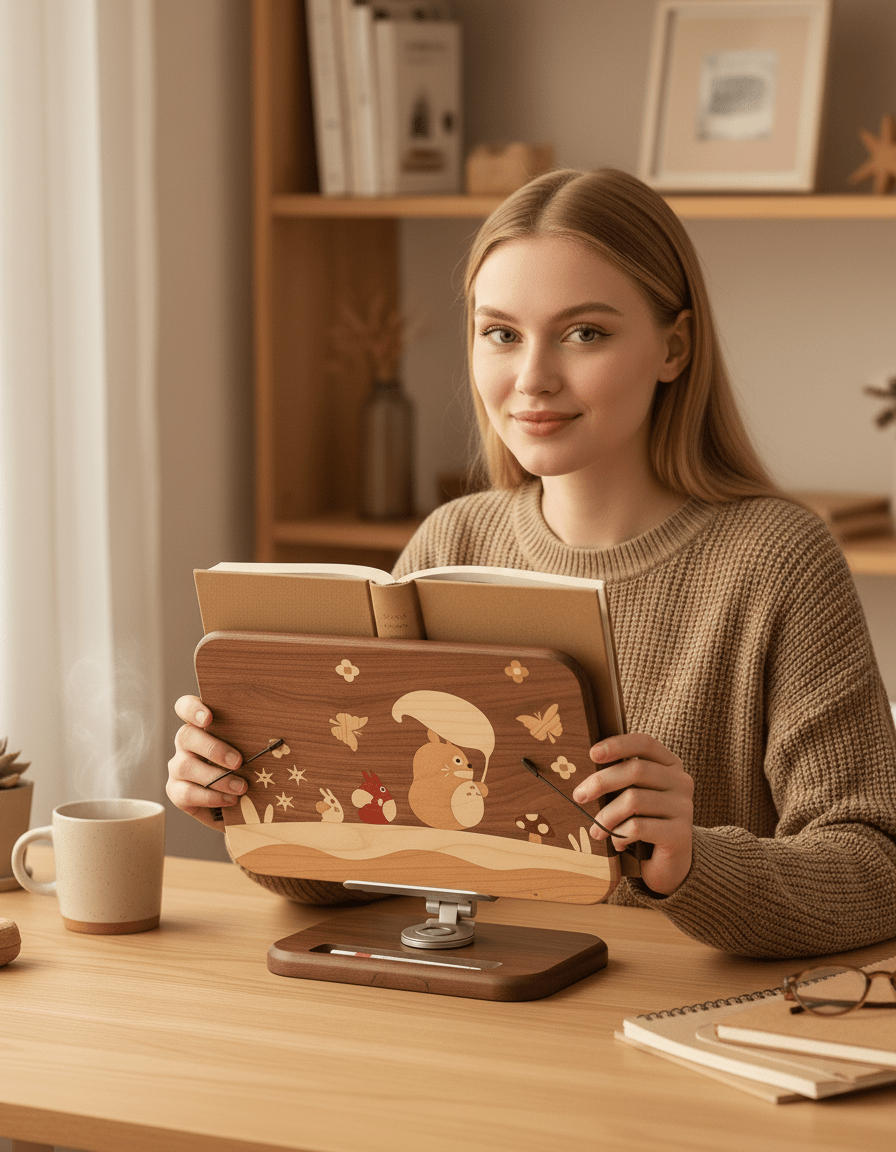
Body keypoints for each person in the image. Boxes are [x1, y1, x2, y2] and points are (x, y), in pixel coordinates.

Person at [168, 168, 896, 959]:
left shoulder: (778, 562)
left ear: (673, 347)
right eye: (502, 333)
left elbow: (876, 868)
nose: (532, 378)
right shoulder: (451, 546)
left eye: (585, 333)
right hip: (468, 1010)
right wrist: (259, 798)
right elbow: (365, 862)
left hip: (669, 1025)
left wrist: (693, 862)